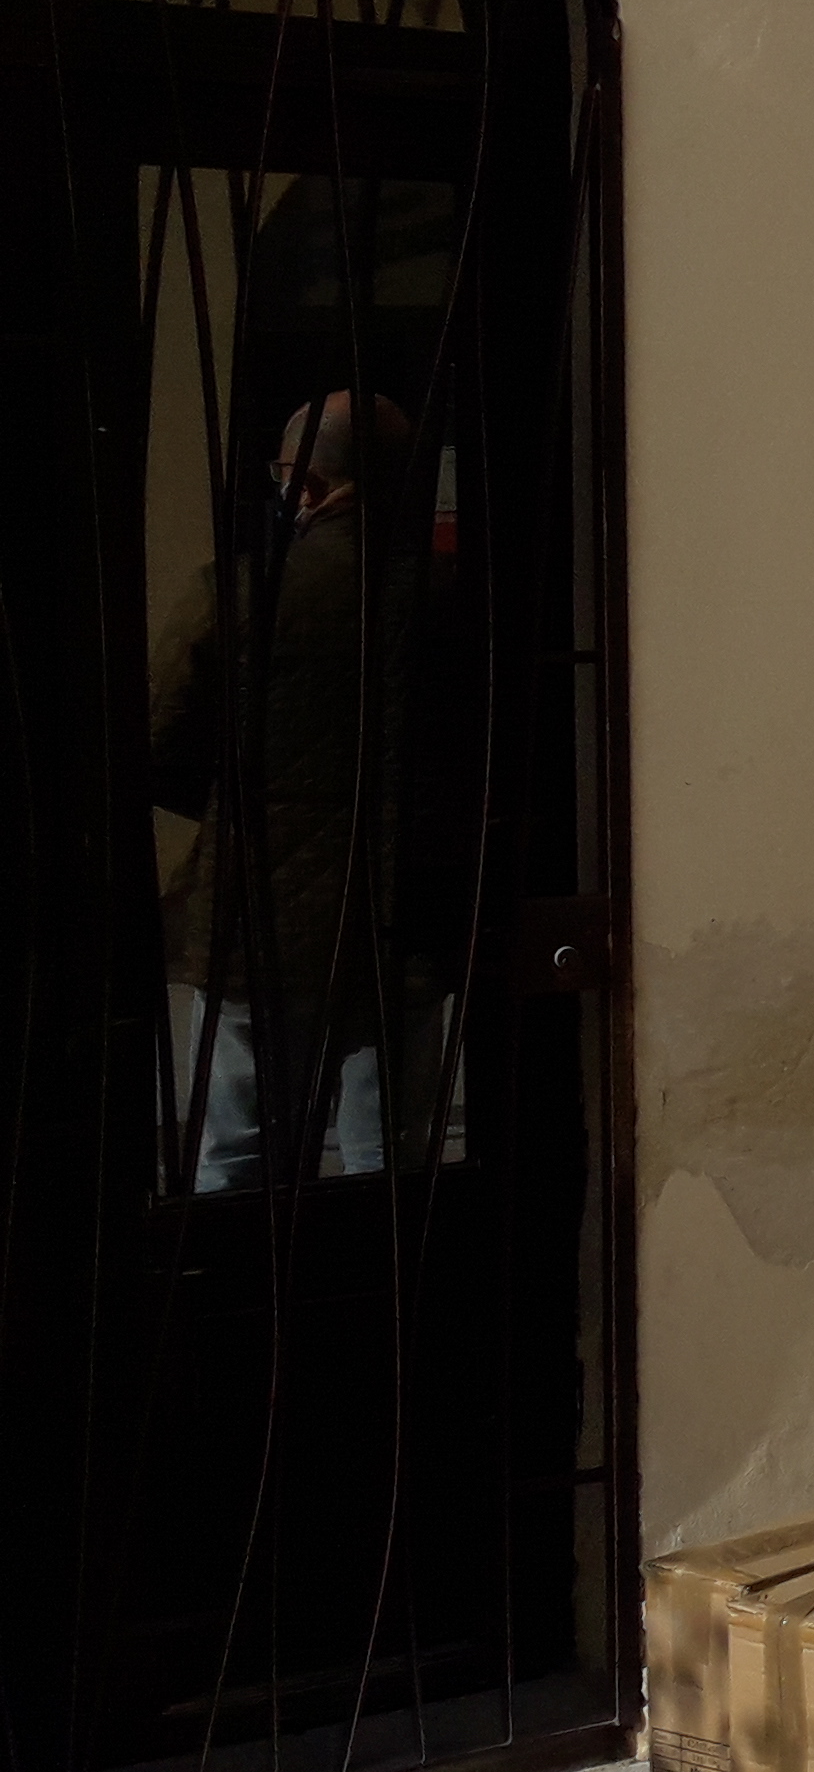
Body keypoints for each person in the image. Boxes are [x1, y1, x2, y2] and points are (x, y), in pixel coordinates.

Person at [148, 391, 447, 1190]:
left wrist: (238, 804)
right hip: (399, 912)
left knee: (237, 1157)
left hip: (255, 917)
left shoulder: (237, 593)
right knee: (387, 1161)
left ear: (306, 485)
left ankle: (247, 1276)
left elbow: (159, 743)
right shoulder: (444, 599)